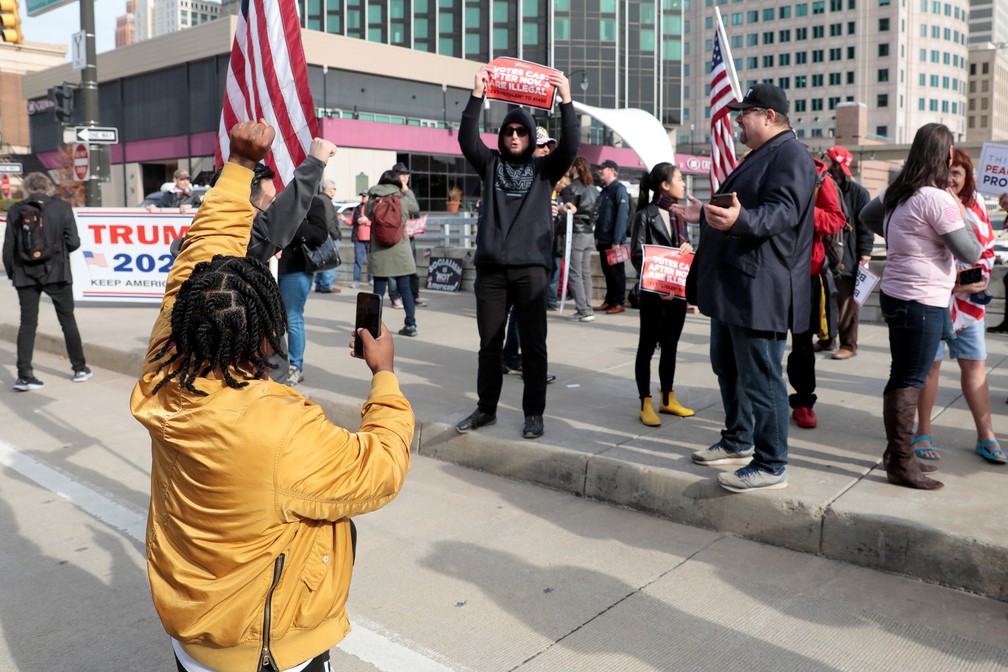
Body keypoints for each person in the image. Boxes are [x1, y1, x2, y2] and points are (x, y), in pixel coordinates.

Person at [130, 120, 413, 672]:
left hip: (194, 635)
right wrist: (384, 378)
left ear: (186, 316)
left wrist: (238, 164)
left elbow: (204, 248)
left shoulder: (165, 365)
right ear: (265, 337)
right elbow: (380, 468)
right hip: (269, 651)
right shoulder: (280, 425)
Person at [674, 83, 816, 493]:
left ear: (769, 116)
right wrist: (705, 213)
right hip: (735, 288)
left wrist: (740, 221)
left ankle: (771, 464)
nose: (738, 118)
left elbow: (782, 212)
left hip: (761, 290)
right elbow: (744, 209)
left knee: (762, 376)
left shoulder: (792, 155)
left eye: (745, 112)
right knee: (728, 366)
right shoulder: (762, 155)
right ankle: (738, 440)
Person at [455, 63, 577, 440]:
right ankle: (486, 409)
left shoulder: (545, 170)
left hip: (531, 272)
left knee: (534, 347)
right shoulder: (489, 165)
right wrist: (477, 94)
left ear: (530, 137)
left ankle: (533, 413)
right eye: (508, 131)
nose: (513, 137)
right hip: (491, 271)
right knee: (489, 346)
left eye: (521, 131)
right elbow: (465, 138)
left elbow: (571, 145)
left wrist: (567, 100)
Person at [859, 123, 982, 490]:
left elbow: (866, 216)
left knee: (903, 374)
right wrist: (961, 216)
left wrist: (904, 237)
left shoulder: (898, 191)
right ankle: (900, 461)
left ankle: (898, 454)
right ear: (943, 155)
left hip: (897, 294)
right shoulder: (937, 198)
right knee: (909, 379)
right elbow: (970, 252)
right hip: (922, 300)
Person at [912, 148, 1003, 464]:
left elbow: (985, 249)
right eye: (947, 171)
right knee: (930, 368)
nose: (951, 179)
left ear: (967, 177)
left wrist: (976, 281)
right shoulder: (928, 199)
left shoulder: (976, 204)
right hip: (934, 299)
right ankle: (922, 431)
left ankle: (986, 435)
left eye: (957, 173)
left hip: (968, 305)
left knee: (974, 365)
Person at [3, 171, 92, 390]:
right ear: (48, 187)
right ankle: (79, 368)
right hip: (57, 272)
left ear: (27, 188)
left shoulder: (16, 209)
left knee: (27, 324)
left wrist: (13, 273)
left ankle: (24, 375)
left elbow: (8, 247)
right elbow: (74, 242)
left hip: (26, 274)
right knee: (67, 320)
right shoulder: (62, 208)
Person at [629, 162, 694, 426]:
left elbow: (682, 254)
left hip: (677, 294)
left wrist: (688, 249)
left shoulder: (680, 216)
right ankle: (645, 401)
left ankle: (667, 398)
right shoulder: (645, 214)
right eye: (679, 179)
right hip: (654, 295)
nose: (683, 183)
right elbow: (636, 254)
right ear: (664, 185)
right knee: (646, 347)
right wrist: (659, 287)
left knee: (670, 347)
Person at [785, 157, 846, 429]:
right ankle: (760, 399)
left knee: (802, 346)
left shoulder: (822, 180)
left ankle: (803, 402)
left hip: (805, 278)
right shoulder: (761, 166)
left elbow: (836, 220)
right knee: (762, 344)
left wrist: (804, 211)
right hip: (767, 275)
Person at [819, 145, 872, 360]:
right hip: (823, 253)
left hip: (848, 255)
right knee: (824, 300)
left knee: (848, 303)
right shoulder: (820, 185)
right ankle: (826, 339)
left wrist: (865, 252)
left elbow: (866, 225)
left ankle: (849, 344)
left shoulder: (858, 193)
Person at [277, 188, 332, 386]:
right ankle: (273, 364)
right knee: (271, 320)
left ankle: (295, 365)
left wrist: (292, 220)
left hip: (296, 269)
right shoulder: (271, 199)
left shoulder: (312, 202)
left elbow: (320, 234)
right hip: (269, 267)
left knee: (292, 317)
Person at [366, 170, 418, 337]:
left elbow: (367, 215)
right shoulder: (402, 199)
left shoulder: (374, 199)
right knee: (405, 289)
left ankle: (373, 327)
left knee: (378, 291)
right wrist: (406, 188)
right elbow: (415, 208)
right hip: (400, 251)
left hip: (379, 252)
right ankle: (410, 325)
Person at [559, 156, 598, 321]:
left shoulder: (570, 189)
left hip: (575, 233)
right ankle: (587, 306)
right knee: (585, 272)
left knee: (574, 273)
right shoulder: (594, 189)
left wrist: (561, 209)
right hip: (589, 233)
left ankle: (583, 309)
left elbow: (567, 211)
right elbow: (595, 214)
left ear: (574, 168)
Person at [594, 159, 631, 315]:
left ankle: (618, 302)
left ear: (611, 170)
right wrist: (597, 236)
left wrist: (617, 240)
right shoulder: (605, 190)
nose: (600, 171)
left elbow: (622, 217)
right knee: (608, 273)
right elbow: (601, 216)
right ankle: (609, 301)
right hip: (603, 240)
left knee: (616, 273)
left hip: (613, 241)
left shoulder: (619, 189)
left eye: (603, 168)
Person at [386, 162, 425, 308]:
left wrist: (407, 190)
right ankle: (394, 296)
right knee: (392, 268)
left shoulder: (408, 191)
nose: (405, 177)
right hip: (393, 234)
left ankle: (414, 295)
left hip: (409, 234)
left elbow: (415, 209)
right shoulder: (390, 191)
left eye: (406, 174)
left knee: (412, 266)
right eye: (402, 174)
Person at [311, 178, 342, 294]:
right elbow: (329, 221)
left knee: (322, 260)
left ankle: (320, 284)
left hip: (321, 235)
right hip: (329, 237)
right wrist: (336, 235)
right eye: (334, 189)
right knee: (330, 260)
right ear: (329, 189)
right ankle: (326, 285)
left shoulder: (319, 199)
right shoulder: (326, 201)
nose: (334, 191)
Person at [348, 190, 371, 288]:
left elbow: (377, 221)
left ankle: (372, 279)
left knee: (371, 261)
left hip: (371, 240)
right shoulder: (357, 208)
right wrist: (343, 219)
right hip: (359, 239)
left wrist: (366, 221)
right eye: (362, 196)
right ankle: (356, 280)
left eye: (365, 196)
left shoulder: (373, 208)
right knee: (358, 260)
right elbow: (351, 221)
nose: (363, 198)